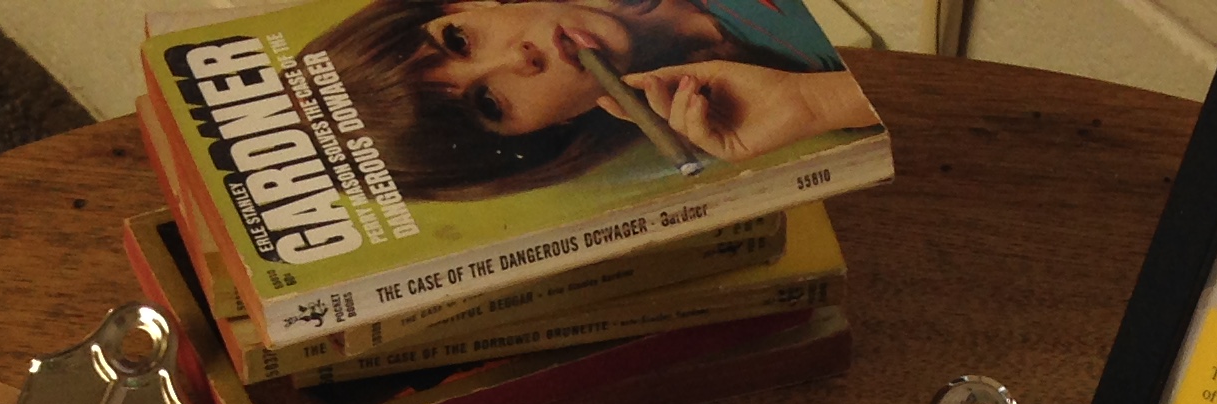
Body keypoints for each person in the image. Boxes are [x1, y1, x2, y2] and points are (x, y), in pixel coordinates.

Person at [309, 0, 875, 198]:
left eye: (458, 40)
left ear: (461, 5)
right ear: (547, 133)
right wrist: (814, 104)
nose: (519, 60)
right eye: (490, 103)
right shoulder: (807, 83)